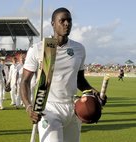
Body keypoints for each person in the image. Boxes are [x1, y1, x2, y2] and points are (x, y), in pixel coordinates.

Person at [20, 7, 107, 142]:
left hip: (73, 108)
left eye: (69, 21)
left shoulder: (79, 49)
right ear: (53, 23)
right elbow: (24, 81)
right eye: (62, 21)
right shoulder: (38, 49)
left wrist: (94, 93)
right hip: (48, 108)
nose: (67, 24)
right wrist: (28, 107)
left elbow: (79, 80)